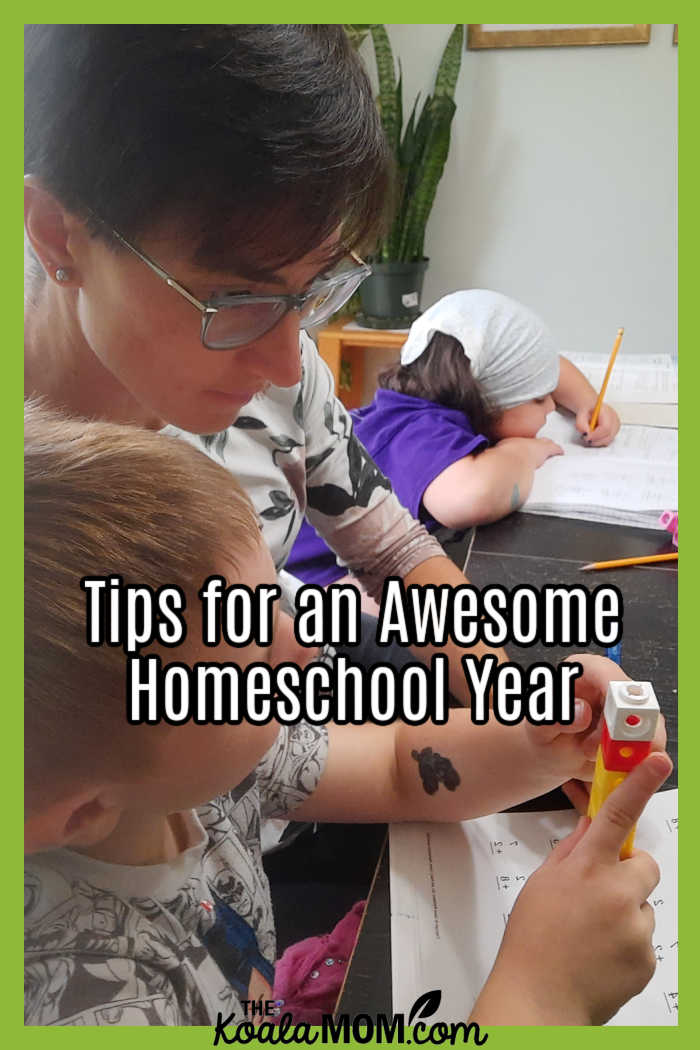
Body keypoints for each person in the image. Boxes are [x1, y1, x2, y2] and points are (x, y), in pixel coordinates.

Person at [23, 24, 617, 706]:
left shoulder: (282, 367)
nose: (286, 363)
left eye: (311, 290)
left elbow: (394, 553)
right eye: (234, 299)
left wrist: (505, 695)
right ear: (55, 234)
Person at [24, 403, 670, 1027]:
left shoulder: (197, 766)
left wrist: (541, 736)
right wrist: (543, 998)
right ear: (81, 810)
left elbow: (395, 767)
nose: (302, 642)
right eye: (250, 643)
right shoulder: (85, 999)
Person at [288, 290, 621, 594]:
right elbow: (469, 498)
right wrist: (518, 454)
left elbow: (549, 368)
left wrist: (588, 402)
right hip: (300, 592)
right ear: (488, 399)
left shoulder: (424, 399)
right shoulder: (419, 433)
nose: (551, 407)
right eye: (539, 399)